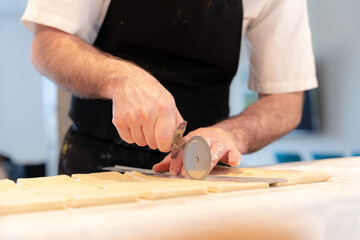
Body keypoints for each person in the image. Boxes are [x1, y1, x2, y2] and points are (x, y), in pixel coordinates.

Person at [21, 0, 317, 176]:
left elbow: (286, 100)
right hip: (96, 164)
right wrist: (120, 78)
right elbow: (47, 44)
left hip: (204, 175)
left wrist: (233, 134)